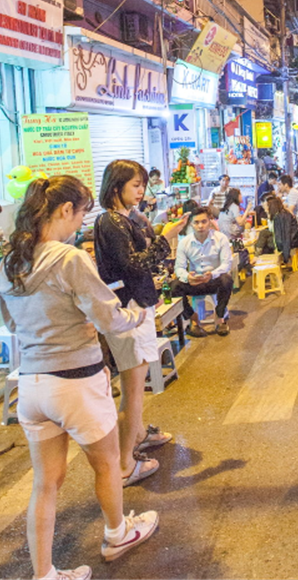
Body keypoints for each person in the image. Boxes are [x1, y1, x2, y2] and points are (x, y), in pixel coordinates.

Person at [0, 176, 158, 580]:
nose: (82, 222)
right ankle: (118, 534)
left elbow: (12, 323)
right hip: (76, 382)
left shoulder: (11, 262)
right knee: (107, 465)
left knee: (45, 484)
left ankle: (45, 573)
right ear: (65, 210)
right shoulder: (69, 259)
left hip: (32, 385)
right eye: (81, 213)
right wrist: (136, 315)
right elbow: (107, 317)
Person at [93, 160, 185, 487]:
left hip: (137, 305)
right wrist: (166, 238)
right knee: (133, 387)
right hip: (127, 309)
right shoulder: (110, 221)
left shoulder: (124, 219)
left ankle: (139, 435)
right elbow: (134, 264)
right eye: (135, 185)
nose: (141, 191)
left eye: (143, 184)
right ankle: (124, 464)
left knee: (138, 379)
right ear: (115, 187)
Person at [173, 205, 235, 337]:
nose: (200, 226)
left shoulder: (220, 238)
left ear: (210, 222)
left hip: (214, 281)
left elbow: (226, 264)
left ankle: (220, 317)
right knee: (173, 286)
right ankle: (192, 318)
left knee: (227, 280)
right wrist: (188, 277)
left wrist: (212, 274)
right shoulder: (184, 242)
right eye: (196, 222)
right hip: (195, 282)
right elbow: (179, 268)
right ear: (191, 224)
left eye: (204, 221)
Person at [266, 193, 298, 266]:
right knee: (264, 236)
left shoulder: (279, 217)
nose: (267, 209)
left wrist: (286, 256)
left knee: (264, 239)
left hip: (291, 241)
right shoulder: (283, 213)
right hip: (294, 239)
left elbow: (284, 237)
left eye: (267, 206)